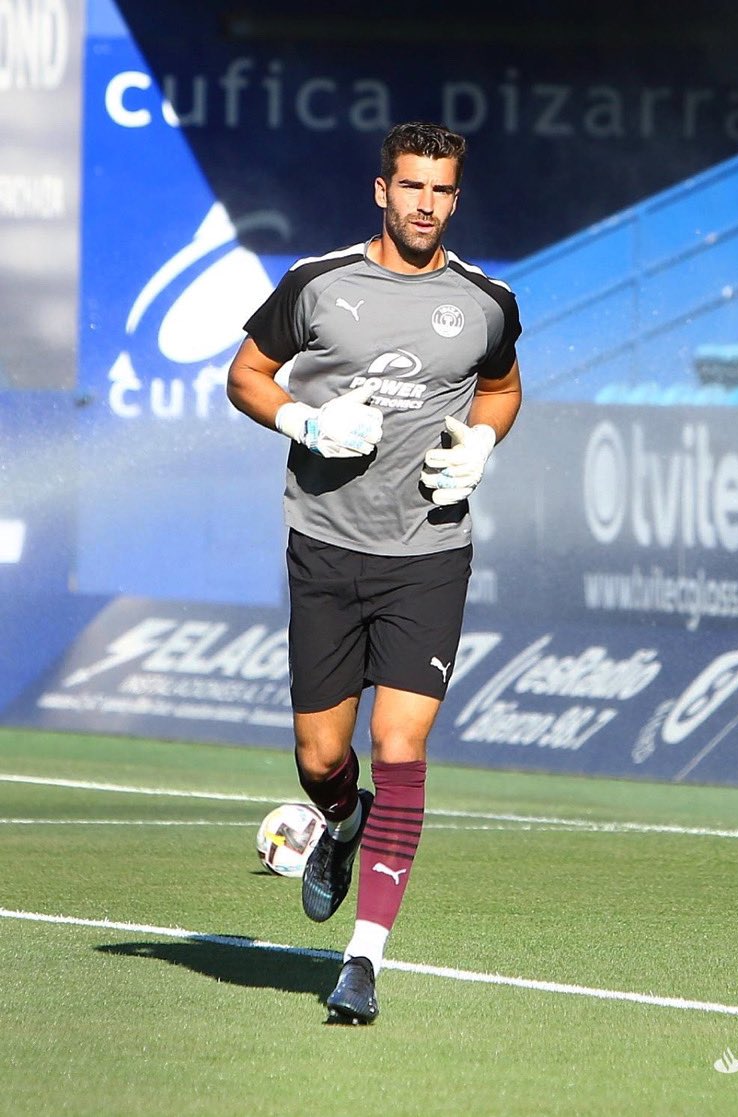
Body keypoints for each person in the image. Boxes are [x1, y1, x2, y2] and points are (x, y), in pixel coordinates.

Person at [226, 121, 522, 1025]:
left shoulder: (486, 302)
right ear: (380, 192)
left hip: (428, 553)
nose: (425, 203)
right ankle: (341, 821)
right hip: (323, 546)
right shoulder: (315, 287)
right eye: (411, 187)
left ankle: (364, 958)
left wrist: (480, 440)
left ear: (454, 199)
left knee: (402, 746)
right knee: (323, 758)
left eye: (441, 191)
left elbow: (502, 388)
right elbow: (247, 375)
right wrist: (303, 424)